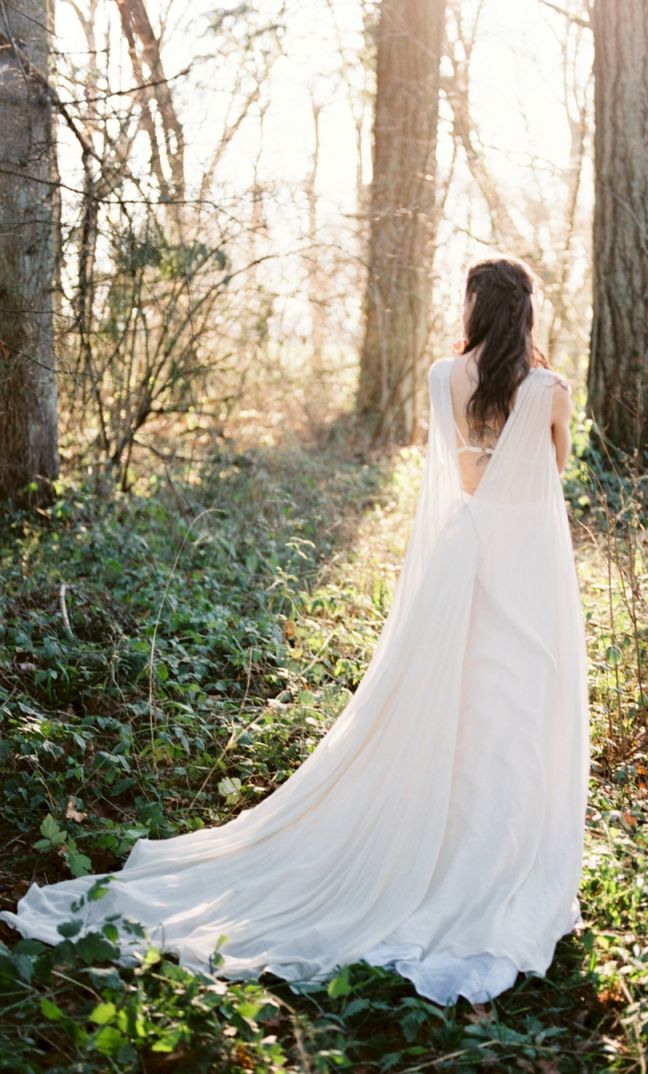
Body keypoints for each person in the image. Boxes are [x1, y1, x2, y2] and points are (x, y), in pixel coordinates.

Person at [1, 255, 591, 1008]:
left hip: (456, 565)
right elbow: (551, 474)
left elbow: (457, 470)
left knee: (446, 709)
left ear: (476, 308)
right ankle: (484, 867)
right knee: (504, 715)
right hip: (518, 572)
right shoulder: (548, 392)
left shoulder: (444, 378)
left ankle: (439, 851)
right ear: (527, 312)